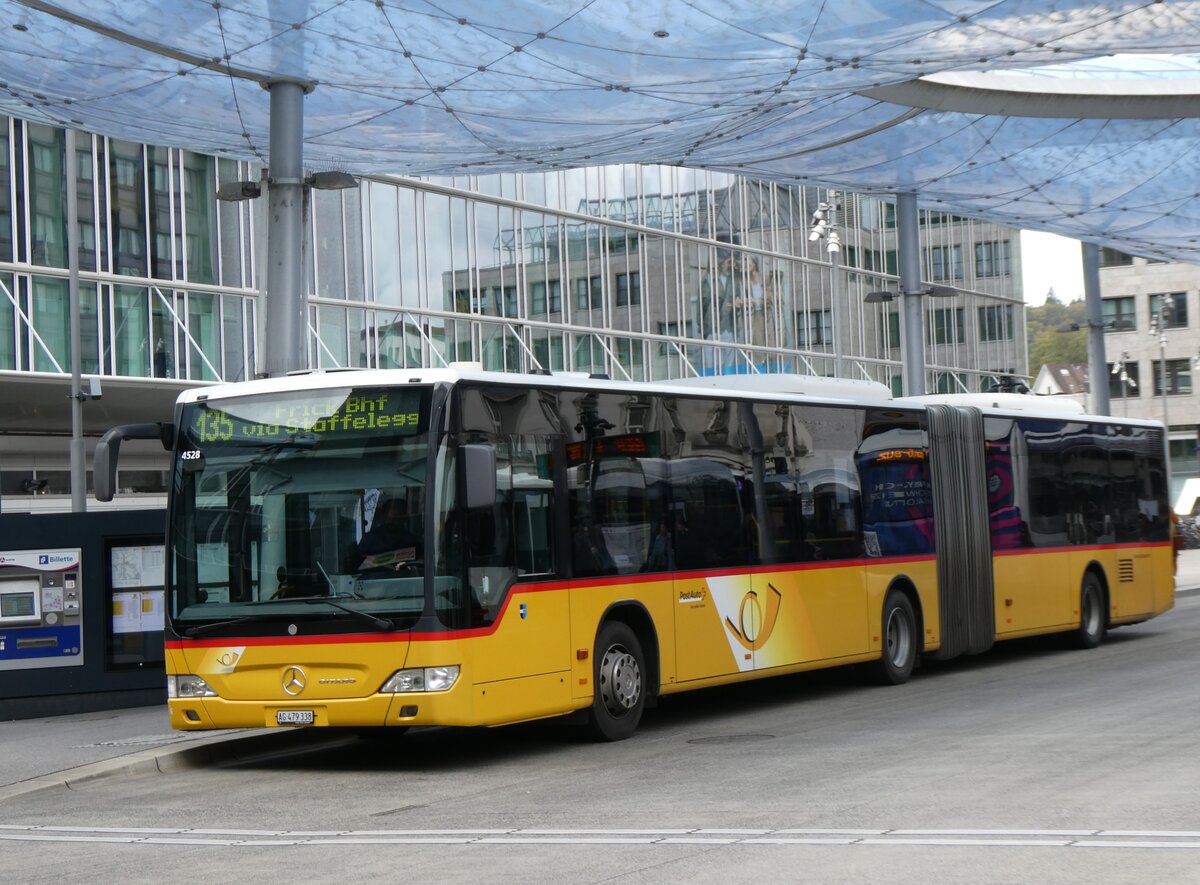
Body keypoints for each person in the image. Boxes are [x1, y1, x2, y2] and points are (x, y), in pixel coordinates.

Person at [358, 497, 422, 570]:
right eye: (388, 518)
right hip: (375, 579)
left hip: (406, 578)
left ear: (404, 519)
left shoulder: (414, 541)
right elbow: (359, 564)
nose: (391, 522)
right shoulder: (369, 540)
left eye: (396, 519)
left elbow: (421, 565)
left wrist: (410, 566)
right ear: (383, 517)